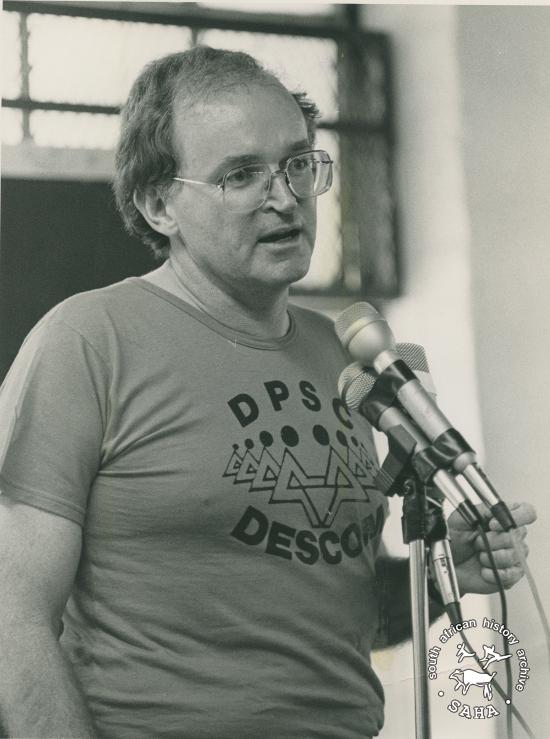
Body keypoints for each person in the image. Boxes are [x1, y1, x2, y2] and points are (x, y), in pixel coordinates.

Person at [0, 47, 536, 739]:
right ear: (160, 203)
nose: (284, 196)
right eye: (242, 174)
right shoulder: (91, 338)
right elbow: (12, 611)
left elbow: (340, 613)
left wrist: (443, 574)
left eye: (296, 163)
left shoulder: (342, 352)